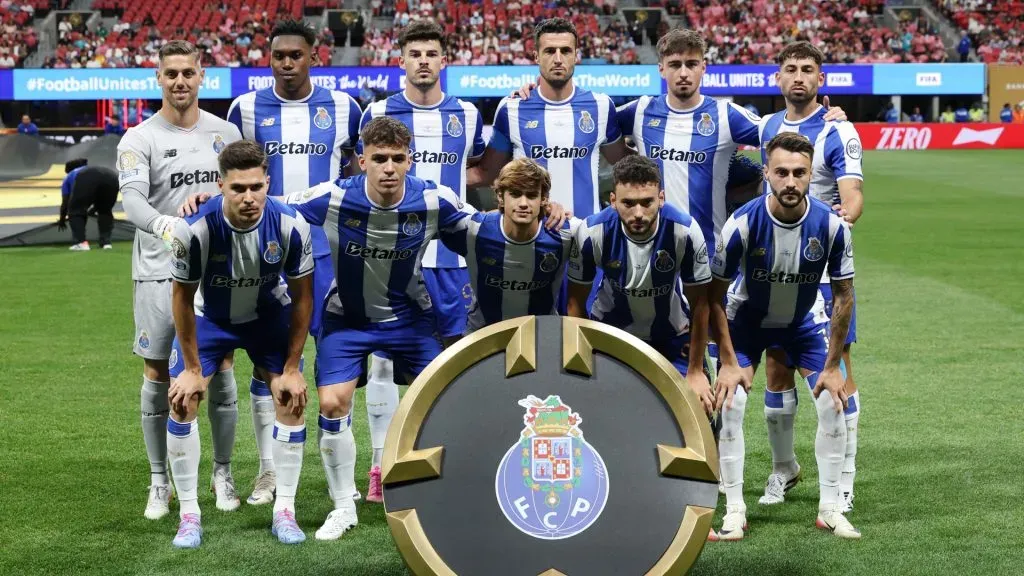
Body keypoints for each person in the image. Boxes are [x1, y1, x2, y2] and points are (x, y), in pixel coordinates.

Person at [282, 117, 478, 541]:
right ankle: (342, 507)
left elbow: (486, 229)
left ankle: (441, 496)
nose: (389, 168)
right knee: (332, 403)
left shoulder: (433, 198)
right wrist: (210, 201)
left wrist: (548, 212)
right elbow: (273, 206)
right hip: (348, 318)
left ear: (410, 160)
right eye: (379, 159)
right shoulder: (333, 196)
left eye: (397, 159)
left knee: (446, 401)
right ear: (361, 161)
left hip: (410, 320)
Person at [224, 17, 362, 507]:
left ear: (313, 57)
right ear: (269, 59)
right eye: (279, 56)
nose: (287, 64)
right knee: (270, 360)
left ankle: (336, 472)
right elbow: (236, 170)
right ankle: (268, 471)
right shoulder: (245, 108)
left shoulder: (345, 108)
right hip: (261, 250)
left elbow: (354, 171)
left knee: (332, 354)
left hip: (325, 250)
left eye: (296, 55)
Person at [357, 19, 486, 499]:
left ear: (443, 60)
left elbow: (478, 170)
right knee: (384, 364)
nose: (424, 61)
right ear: (402, 60)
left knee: (453, 360)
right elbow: (362, 174)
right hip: (391, 257)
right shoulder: (379, 112)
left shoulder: (467, 115)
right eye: (415, 54)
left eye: (432, 53)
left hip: (451, 259)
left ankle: (448, 458)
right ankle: (380, 467)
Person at [709, 132, 859, 541]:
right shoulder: (741, 224)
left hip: (802, 324)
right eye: (781, 173)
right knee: (732, 402)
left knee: (832, 400)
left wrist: (832, 367)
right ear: (766, 174)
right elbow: (714, 298)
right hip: (746, 325)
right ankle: (735, 511)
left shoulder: (832, 227)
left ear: (811, 175)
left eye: (799, 173)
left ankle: (830, 509)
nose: (790, 182)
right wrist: (725, 361)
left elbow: (844, 297)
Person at [165, 140, 314, 548]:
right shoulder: (193, 228)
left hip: (267, 318)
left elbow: (303, 297)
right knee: (181, 398)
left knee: (291, 397)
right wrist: (193, 370)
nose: (249, 198)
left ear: (268, 182)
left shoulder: (289, 225)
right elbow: (180, 297)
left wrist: (292, 366)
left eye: (256, 187)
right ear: (220, 186)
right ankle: (189, 515)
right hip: (210, 319)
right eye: (237, 189)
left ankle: (285, 509)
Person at [118, 40, 242, 521]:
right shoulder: (139, 138)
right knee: (157, 372)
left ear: (201, 75)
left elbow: (243, 188)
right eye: (171, 74)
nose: (180, 81)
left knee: (222, 366)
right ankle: (158, 480)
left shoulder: (225, 132)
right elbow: (132, 203)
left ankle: (223, 472)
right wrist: (168, 227)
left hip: (216, 273)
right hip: (157, 271)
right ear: (159, 78)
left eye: (188, 72)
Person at [755, 41, 864, 513]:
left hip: (822, 274)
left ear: (821, 79)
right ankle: (785, 470)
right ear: (777, 79)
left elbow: (853, 198)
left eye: (808, 70)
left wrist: (839, 220)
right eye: (790, 69)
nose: (798, 76)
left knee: (835, 373)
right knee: (777, 371)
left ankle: (844, 481)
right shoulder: (765, 127)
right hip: (775, 272)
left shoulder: (838, 129)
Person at [567, 155, 714, 414]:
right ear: (613, 201)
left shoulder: (684, 230)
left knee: (699, 409)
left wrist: (696, 370)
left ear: (661, 197)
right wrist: (583, 354)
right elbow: (575, 302)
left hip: (671, 336)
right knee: (598, 414)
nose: (638, 213)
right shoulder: (592, 232)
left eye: (647, 202)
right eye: (628, 203)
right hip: (611, 337)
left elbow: (701, 303)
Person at [468, 17, 628, 219]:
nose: (558, 58)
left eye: (566, 51)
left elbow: (625, 164)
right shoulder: (512, 108)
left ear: (576, 56)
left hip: (586, 235)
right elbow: (487, 172)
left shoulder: (601, 106)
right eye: (550, 51)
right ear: (536, 56)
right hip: (531, 238)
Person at [439, 158, 580, 332]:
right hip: (483, 334)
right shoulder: (473, 231)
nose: (523, 203)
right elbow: (423, 225)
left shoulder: (566, 233)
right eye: (515, 194)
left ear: (543, 199)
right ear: (500, 196)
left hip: (542, 334)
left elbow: (605, 231)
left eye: (531, 195)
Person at [58, 158, 118, 251]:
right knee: (105, 211)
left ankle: (81, 243)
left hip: (88, 178)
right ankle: (106, 243)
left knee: (75, 211)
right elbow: (99, 202)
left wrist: (62, 219)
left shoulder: (70, 175)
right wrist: (92, 211)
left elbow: (66, 202)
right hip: (112, 176)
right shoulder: (91, 169)